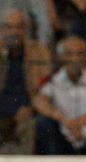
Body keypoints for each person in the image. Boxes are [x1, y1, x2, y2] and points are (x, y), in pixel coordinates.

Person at [33, 35, 86, 155]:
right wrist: (63, 119)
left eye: (80, 54)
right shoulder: (53, 80)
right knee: (43, 122)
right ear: (61, 57)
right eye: (69, 54)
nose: (75, 59)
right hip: (62, 139)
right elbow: (40, 102)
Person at [0, 8, 50, 154]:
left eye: (19, 27)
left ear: (25, 30)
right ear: (2, 29)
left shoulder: (39, 51)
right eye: (9, 27)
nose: (14, 31)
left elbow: (46, 86)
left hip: (28, 111)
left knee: (33, 125)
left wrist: (31, 108)